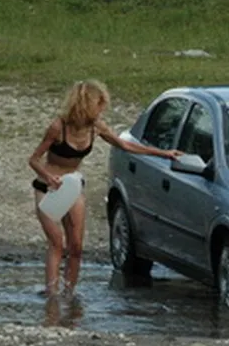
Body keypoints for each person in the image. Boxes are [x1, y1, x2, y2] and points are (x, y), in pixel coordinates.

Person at [28, 80, 181, 297]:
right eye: (100, 105)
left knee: (77, 246)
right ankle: (51, 294)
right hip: (47, 187)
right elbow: (33, 160)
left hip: (72, 186)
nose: (103, 110)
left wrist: (163, 153)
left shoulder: (96, 127)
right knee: (57, 243)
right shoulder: (58, 127)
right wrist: (48, 176)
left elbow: (125, 144)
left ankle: (69, 292)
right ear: (87, 105)